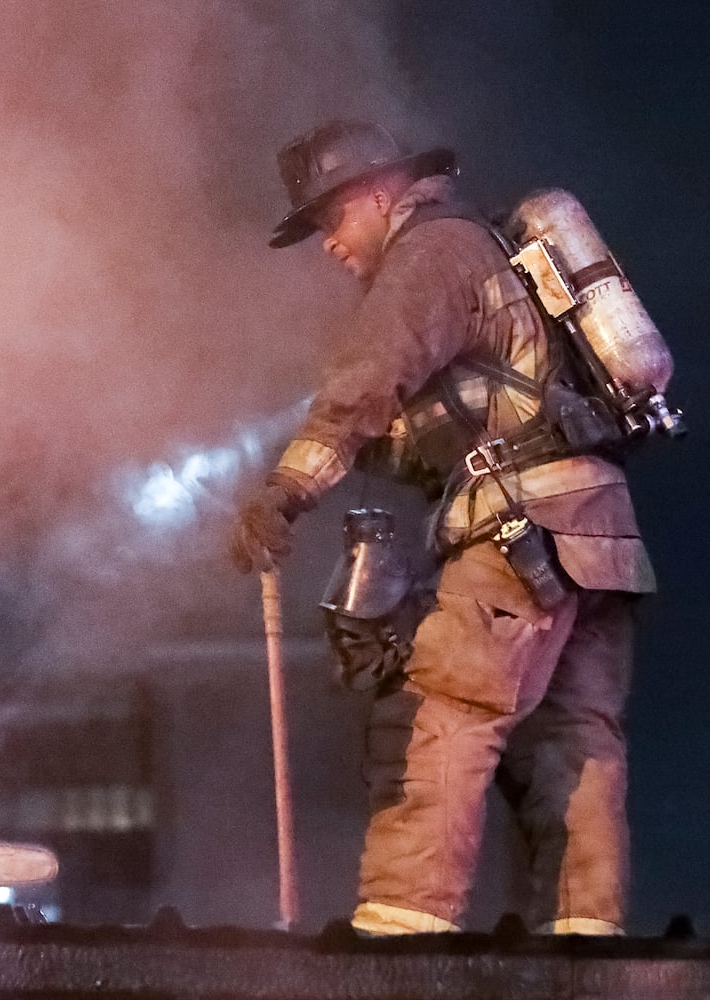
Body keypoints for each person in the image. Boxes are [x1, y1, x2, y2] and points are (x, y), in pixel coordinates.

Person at [230, 120, 656, 936]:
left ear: (376, 195)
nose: (327, 245)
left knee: (439, 714)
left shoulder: (430, 254)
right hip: (599, 538)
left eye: (329, 221)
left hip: (518, 532)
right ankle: (586, 950)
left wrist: (289, 489)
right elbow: (446, 421)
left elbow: (366, 383)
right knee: (577, 745)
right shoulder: (490, 260)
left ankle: (404, 934)